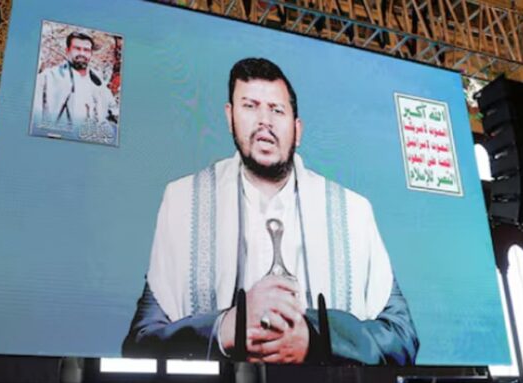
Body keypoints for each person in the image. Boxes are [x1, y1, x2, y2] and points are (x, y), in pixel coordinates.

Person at [122, 58, 419, 365]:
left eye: (277, 110)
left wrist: (316, 339)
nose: (264, 121)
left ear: (297, 129)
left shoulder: (353, 211)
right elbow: (142, 342)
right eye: (250, 106)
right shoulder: (183, 201)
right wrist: (224, 328)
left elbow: (402, 338)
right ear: (230, 117)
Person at [31, 32, 118, 142]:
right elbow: (34, 118)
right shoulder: (48, 78)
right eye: (77, 48)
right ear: (67, 50)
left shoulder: (99, 84)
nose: (82, 53)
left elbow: (113, 113)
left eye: (86, 50)